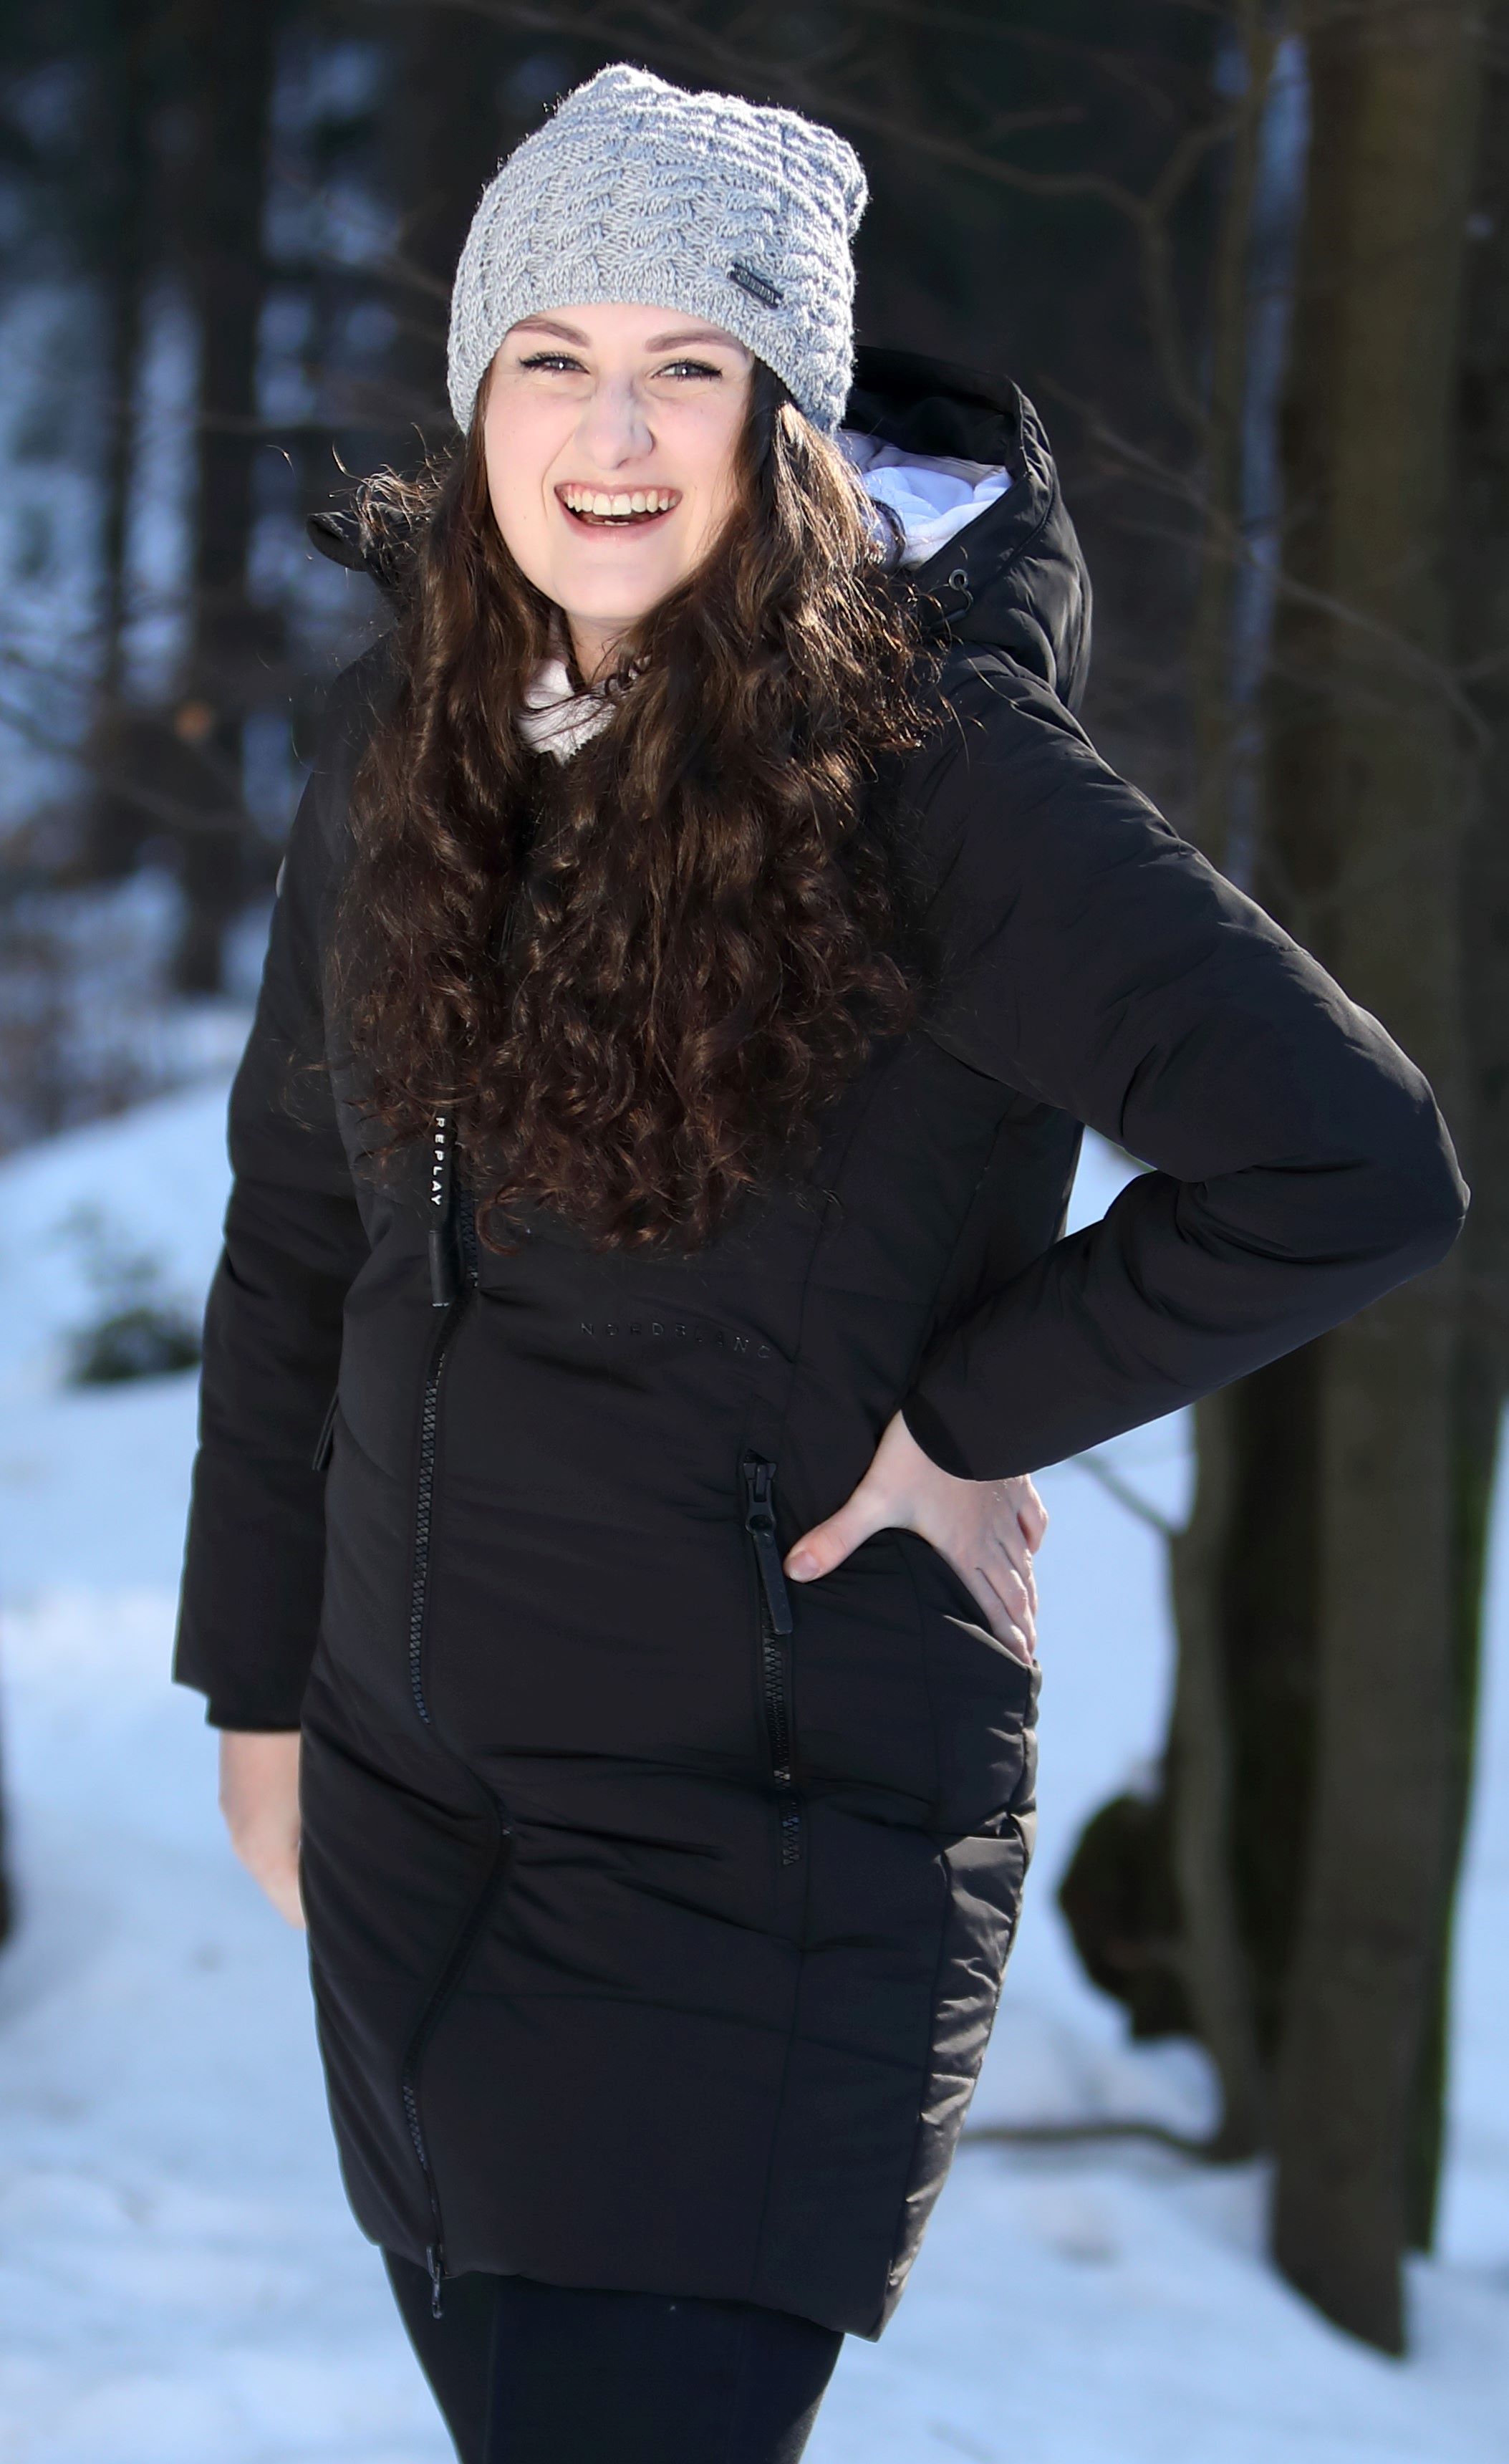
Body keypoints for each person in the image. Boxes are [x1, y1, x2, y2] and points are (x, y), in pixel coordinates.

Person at [173, 61, 1467, 2464]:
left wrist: (965, 1418)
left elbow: (1346, 1163)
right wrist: (259, 1698)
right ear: (474, 394)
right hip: (411, 1817)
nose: (611, 432)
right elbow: (299, 1229)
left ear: (788, 416)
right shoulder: (404, 742)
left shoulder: (928, 766)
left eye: (690, 363)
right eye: (551, 355)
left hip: (742, 1856)